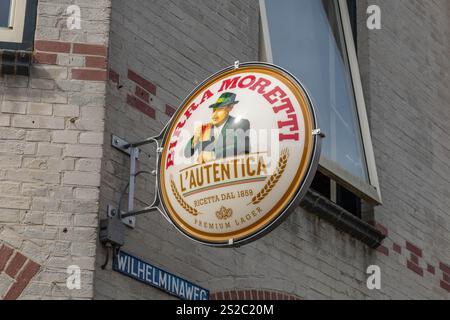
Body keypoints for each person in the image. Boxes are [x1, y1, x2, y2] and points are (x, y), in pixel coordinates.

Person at [184, 92, 250, 163]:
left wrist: (212, 154)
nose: (214, 115)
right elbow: (187, 153)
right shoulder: (205, 128)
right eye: (214, 110)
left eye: (220, 109)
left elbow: (241, 148)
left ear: (230, 108)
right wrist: (195, 139)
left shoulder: (241, 123)